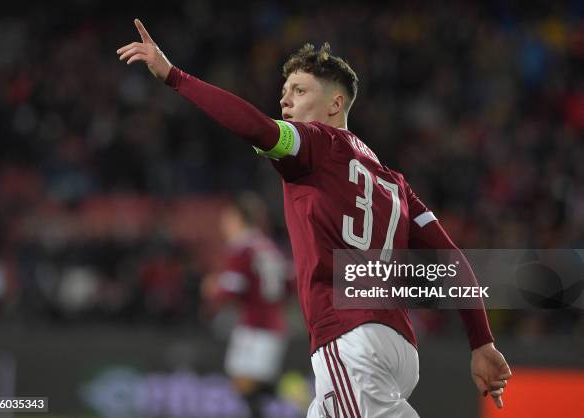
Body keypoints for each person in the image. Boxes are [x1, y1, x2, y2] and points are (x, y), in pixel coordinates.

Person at [117, 19, 512, 417]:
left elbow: (255, 127)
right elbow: (452, 259)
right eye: (284, 92)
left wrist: (174, 76)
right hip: (397, 347)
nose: (286, 102)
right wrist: (481, 342)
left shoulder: (315, 143)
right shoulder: (396, 185)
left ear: (335, 104)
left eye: (299, 91)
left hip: (349, 337)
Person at [202, 193, 289, 417]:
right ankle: (293, 393)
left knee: (247, 387)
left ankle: (296, 393)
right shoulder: (268, 246)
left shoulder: (242, 248)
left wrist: (212, 289)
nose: (224, 225)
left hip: (256, 325)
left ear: (238, 219)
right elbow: (289, 283)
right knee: (248, 384)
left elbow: (231, 289)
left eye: (227, 219)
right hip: (272, 322)